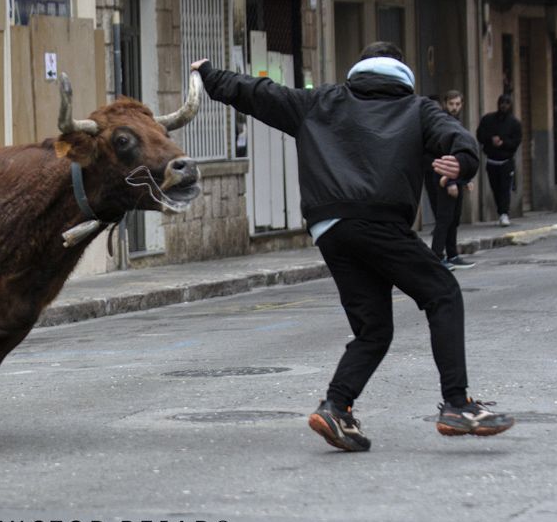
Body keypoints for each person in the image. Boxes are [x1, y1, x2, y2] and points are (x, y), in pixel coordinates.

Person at [192, 42, 514, 452]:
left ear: (359, 70)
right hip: (379, 220)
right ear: (403, 72)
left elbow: (262, 94)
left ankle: (336, 407)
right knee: (443, 293)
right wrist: (463, 163)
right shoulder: (418, 109)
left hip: (331, 229)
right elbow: (458, 138)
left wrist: (211, 74)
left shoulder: (321, 101)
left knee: (374, 329)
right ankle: (457, 405)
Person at [426, 90, 475, 270]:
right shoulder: (443, 123)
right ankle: (437, 257)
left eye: (458, 104)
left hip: (456, 176)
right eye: (451, 104)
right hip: (442, 177)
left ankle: (452, 254)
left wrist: (465, 177)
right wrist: (451, 182)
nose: (454, 108)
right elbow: (443, 154)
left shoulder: (455, 122)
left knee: (454, 218)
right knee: (444, 218)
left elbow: (460, 153)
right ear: (445, 104)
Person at [476, 94, 522, 226]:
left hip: (506, 161)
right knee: (495, 188)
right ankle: (500, 211)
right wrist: (491, 140)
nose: (504, 105)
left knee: (505, 188)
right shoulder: (488, 120)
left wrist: (503, 143)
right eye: (502, 102)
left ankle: (504, 213)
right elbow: (480, 135)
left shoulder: (514, 123)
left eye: (507, 103)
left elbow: (516, 141)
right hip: (491, 161)